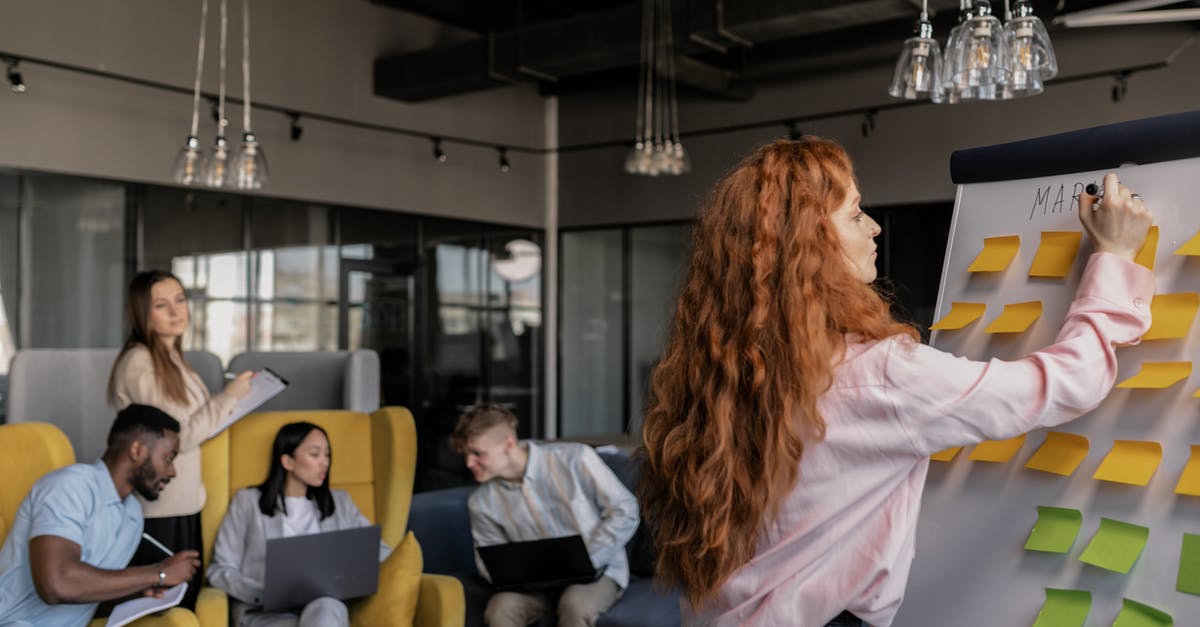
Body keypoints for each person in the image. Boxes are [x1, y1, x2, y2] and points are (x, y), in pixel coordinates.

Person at [637, 137, 1155, 627]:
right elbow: (1069, 381)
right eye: (855, 213)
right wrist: (1115, 257)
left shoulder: (725, 376)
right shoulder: (881, 375)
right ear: (810, 245)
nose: (874, 227)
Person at [107, 269, 254, 610]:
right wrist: (228, 397)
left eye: (180, 300)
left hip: (184, 503)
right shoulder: (140, 362)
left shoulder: (173, 360)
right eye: (162, 304)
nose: (177, 311)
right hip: (160, 510)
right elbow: (174, 439)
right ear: (143, 313)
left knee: (185, 606)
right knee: (167, 611)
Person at [0, 404, 200, 626]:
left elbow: (85, 598)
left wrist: (140, 595)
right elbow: (56, 584)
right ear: (137, 451)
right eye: (169, 458)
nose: (172, 471)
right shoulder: (69, 486)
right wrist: (159, 572)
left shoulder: (132, 515)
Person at [450, 404, 640, 627]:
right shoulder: (481, 501)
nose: (469, 463)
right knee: (500, 609)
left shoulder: (575, 459)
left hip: (598, 573)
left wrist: (590, 557)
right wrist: (510, 575)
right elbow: (486, 560)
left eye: (477, 454)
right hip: (532, 586)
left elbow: (625, 510)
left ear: (508, 444)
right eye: (466, 455)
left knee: (575, 605)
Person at [207, 421, 391, 627]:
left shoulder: (341, 503)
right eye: (315, 454)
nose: (324, 462)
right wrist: (260, 593)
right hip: (267, 613)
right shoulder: (247, 501)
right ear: (288, 461)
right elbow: (220, 569)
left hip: (323, 607)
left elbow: (379, 552)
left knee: (326, 610)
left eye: (327, 454)